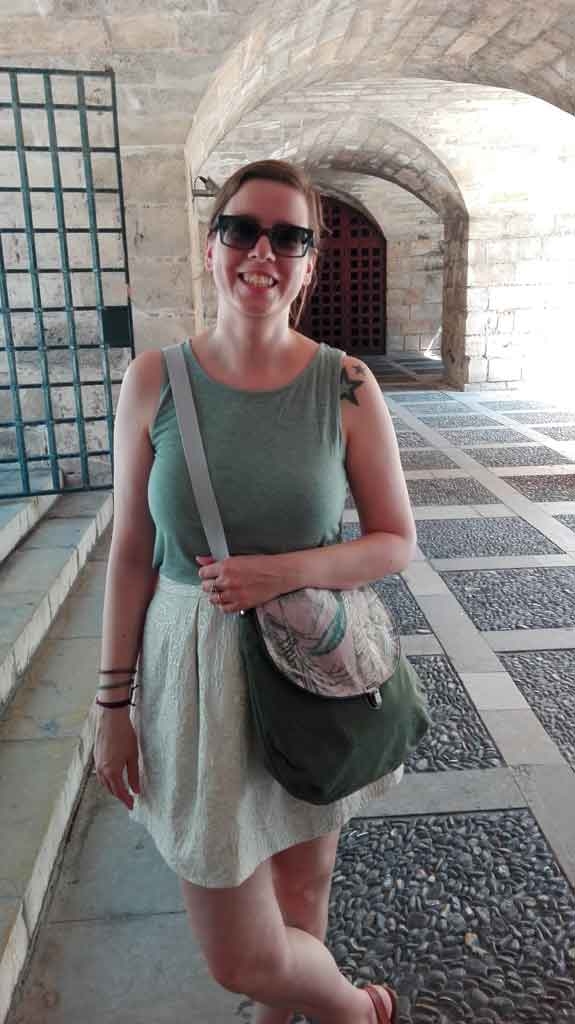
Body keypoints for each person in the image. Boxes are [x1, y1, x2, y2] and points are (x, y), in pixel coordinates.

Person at [93, 159, 416, 1024]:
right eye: (241, 229)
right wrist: (112, 703)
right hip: (189, 670)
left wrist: (286, 570)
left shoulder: (344, 384)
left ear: (308, 262)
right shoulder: (154, 380)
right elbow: (132, 552)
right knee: (239, 955)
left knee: (303, 894)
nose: (261, 252)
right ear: (212, 246)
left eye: (288, 237)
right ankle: (353, 1011)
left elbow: (394, 541)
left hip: (307, 665)